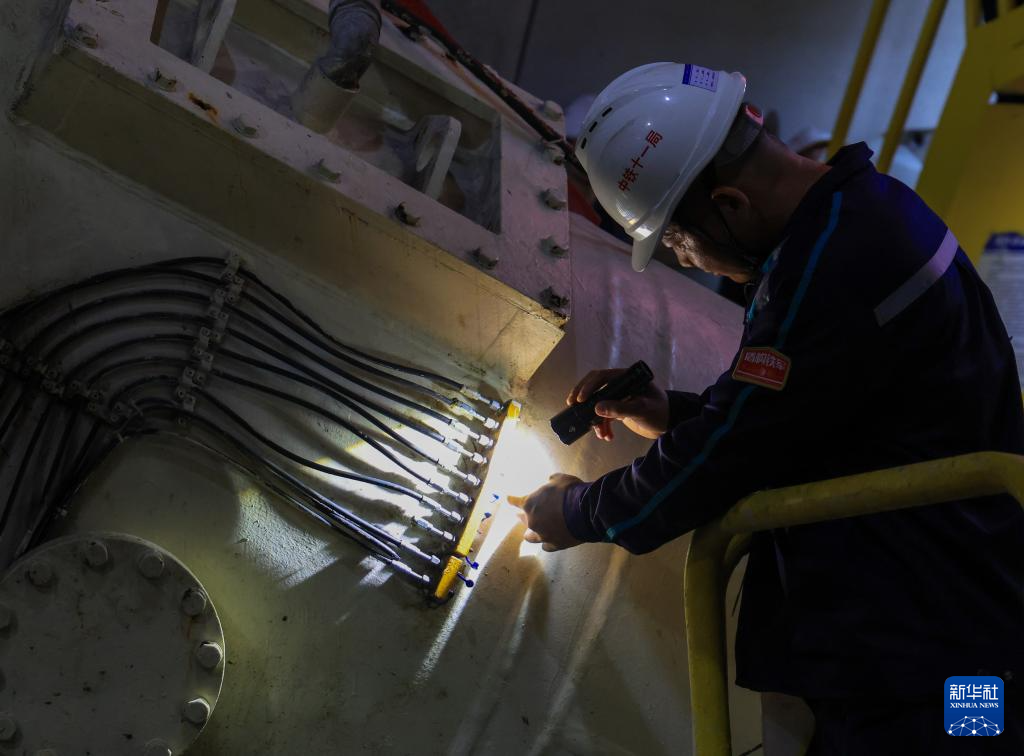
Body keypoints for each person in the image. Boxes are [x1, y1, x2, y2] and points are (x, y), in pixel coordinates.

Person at [509, 62, 1024, 754]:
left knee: (970, 743)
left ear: (730, 202)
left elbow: (731, 452)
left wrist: (577, 512)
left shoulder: (829, 265)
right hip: (940, 626)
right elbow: (812, 414)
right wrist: (671, 414)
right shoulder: (861, 214)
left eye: (679, 241)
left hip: (924, 653)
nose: (687, 261)